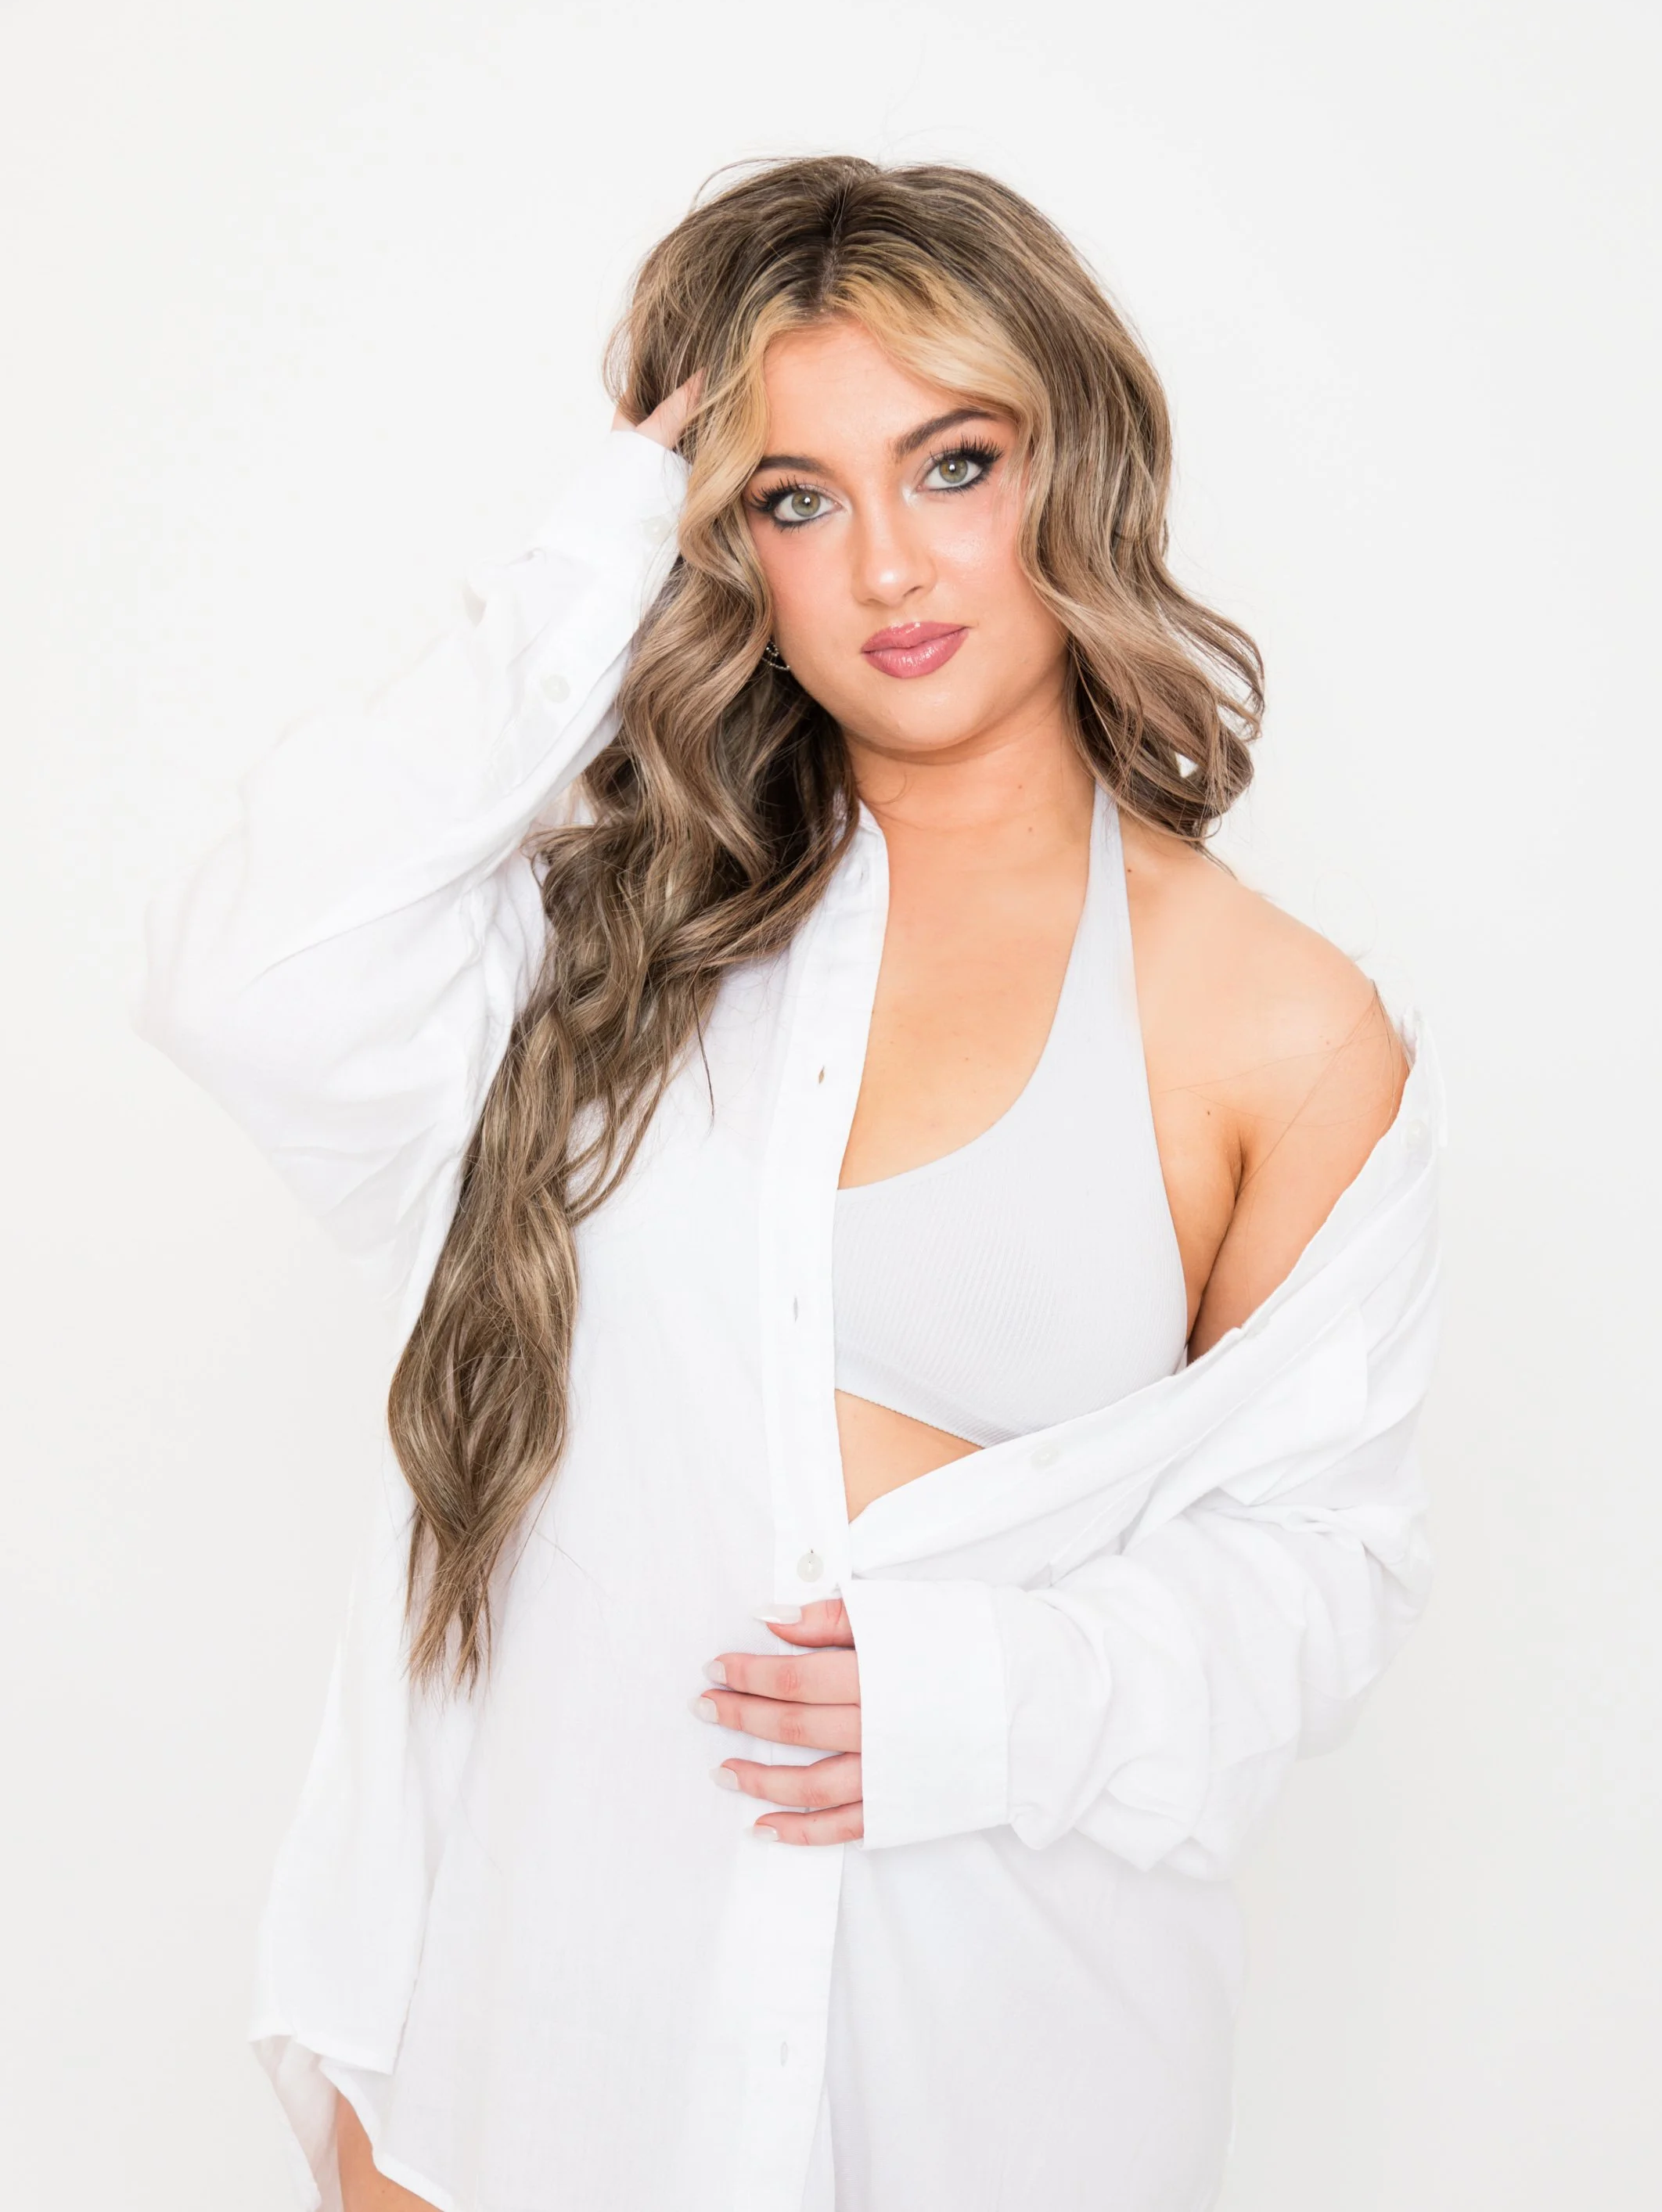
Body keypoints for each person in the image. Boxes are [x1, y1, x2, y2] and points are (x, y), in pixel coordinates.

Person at [138, 156, 1443, 2212]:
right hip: (544, 2085)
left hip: (1006, 2086)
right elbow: (245, 979)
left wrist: (981, 1697)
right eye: (793, 496)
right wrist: (596, 537)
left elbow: (1314, 1578)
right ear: (721, 546)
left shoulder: (1271, 1025)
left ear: (1070, 467)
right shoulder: (582, 958)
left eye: (952, 462)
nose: (889, 569)